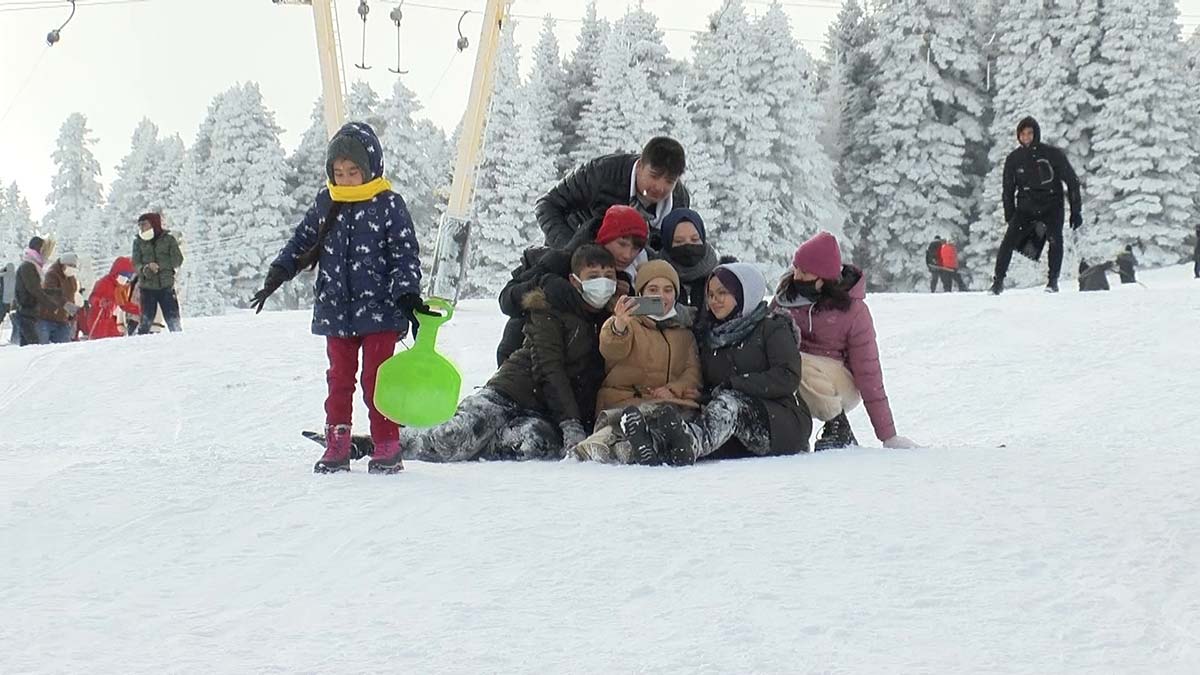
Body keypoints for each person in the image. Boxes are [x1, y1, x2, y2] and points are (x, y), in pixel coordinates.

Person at [251, 121, 425, 475]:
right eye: (339, 173)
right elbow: (301, 241)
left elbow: (404, 254)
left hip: (379, 312)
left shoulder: (388, 204)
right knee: (339, 380)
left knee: (377, 381)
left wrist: (408, 295)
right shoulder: (326, 202)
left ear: (370, 169)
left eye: (353, 172)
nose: (345, 180)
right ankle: (337, 445)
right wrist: (279, 272)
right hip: (336, 311)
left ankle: (387, 444)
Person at [403, 245, 617, 463]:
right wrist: (570, 422)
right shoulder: (551, 307)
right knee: (451, 438)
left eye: (609, 276)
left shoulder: (612, 320)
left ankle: (481, 445)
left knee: (531, 443)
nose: (603, 283)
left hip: (543, 413)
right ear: (575, 280)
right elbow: (548, 367)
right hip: (509, 393)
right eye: (593, 276)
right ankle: (391, 441)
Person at [649, 262, 812, 466]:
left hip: (779, 421)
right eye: (710, 294)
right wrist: (701, 396)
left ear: (743, 293)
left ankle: (689, 444)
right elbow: (716, 386)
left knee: (729, 405)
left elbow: (787, 376)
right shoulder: (711, 337)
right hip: (733, 430)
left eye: (722, 293)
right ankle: (653, 446)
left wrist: (735, 385)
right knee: (700, 412)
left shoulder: (771, 327)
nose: (714, 300)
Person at [773, 231, 917, 451]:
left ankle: (838, 426)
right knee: (778, 362)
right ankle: (792, 434)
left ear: (824, 278)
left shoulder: (854, 312)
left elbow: (868, 372)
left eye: (805, 272)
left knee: (795, 361)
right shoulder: (785, 299)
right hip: (797, 376)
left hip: (841, 384)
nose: (797, 277)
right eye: (796, 269)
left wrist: (888, 436)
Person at [570, 260, 703, 464]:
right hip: (624, 401)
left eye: (668, 290)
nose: (661, 296)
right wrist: (619, 325)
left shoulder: (684, 333)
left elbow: (692, 373)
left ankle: (632, 449)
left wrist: (673, 389)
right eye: (653, 289)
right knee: (620, 423)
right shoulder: (627, 323)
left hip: (668, 405)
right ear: (640, 293)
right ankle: (594, 447)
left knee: (669, 421)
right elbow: (611, 348)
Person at [495, 204, 647, 366]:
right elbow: (507, 300)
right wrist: (544, 284)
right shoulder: (561, 260)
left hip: (574, 368)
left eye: (636, 248)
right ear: (605, 237)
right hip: (522, 359)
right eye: (622, 244)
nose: (627, 255)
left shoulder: (623, 277)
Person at [537, 136, 689, 249]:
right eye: (654, 176)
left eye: (670, 181)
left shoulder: (679, 202)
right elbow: (547, 205)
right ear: (640, 166)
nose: (660, 187)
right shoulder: (601, 173)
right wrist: (570, 249)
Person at [992, 117, 1083, 294]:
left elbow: (1072, 181)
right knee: (1008, 242)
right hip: (1026, 207)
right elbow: (1008, 189)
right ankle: (998, 281)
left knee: (1055, 240)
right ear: (1018, 136)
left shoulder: (1052, 154)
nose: (1026, 137)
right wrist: (1010, 214)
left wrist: (1076, 211)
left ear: (1036, 134)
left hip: (1052, 205)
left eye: (1029, 133)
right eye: (1022, 134)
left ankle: (1052, 281)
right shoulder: (1014, 159)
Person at [658, 207, 726, 309]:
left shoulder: (723, 279)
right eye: (679, 241)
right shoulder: (653, 278)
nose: (688, 246)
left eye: (694, 239)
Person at [131, 212, 184, 332]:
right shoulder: (138, 242)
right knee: (145, 322)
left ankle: (179, 340)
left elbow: (177, 260)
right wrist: (146, 268)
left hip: (166, 286)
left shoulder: (168, 240)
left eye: (144, 224)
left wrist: (160, 266)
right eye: (140, 225)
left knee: (173, 320)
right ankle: (141, 342)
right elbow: (135, 263)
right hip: (147, 287)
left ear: (153, 224)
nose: (141, 227)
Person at [13, 237, 68, 346]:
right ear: (38, 249)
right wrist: (51, 305)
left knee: (28, 347)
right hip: (26, 313)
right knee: (34, 347)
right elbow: (34, 290)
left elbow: (35, 288)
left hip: (29, 313)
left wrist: (53, 292)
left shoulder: (33, 266)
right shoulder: (28, 267)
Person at [84, 257, 140, 339]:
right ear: (117, 272)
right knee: (101, 341)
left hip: (110, 319)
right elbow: (92, 298)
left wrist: (140, 310)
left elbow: (124, 304)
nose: (127, 278)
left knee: (114, 341)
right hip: (98, 318)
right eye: (125, 274)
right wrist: (100, 301)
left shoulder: (120, 287)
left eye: (130, 276)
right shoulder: (104, 282)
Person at [37, 252, 81, 344]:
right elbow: (52, 294)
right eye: (71, 266)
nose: (72, 268)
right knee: (41, 348)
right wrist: (66, 305)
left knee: (63, 349)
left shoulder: (71, 278)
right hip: (45, 318)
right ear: (63, 265)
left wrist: (72, 317)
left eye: (74, 266)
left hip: (63, 320)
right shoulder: (51, 275)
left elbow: (71, 296)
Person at [0, 262, 15, 329]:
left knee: (2, 313)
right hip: (9, 299)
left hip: (3, 298)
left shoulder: (3, 275)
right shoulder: (14, 276)